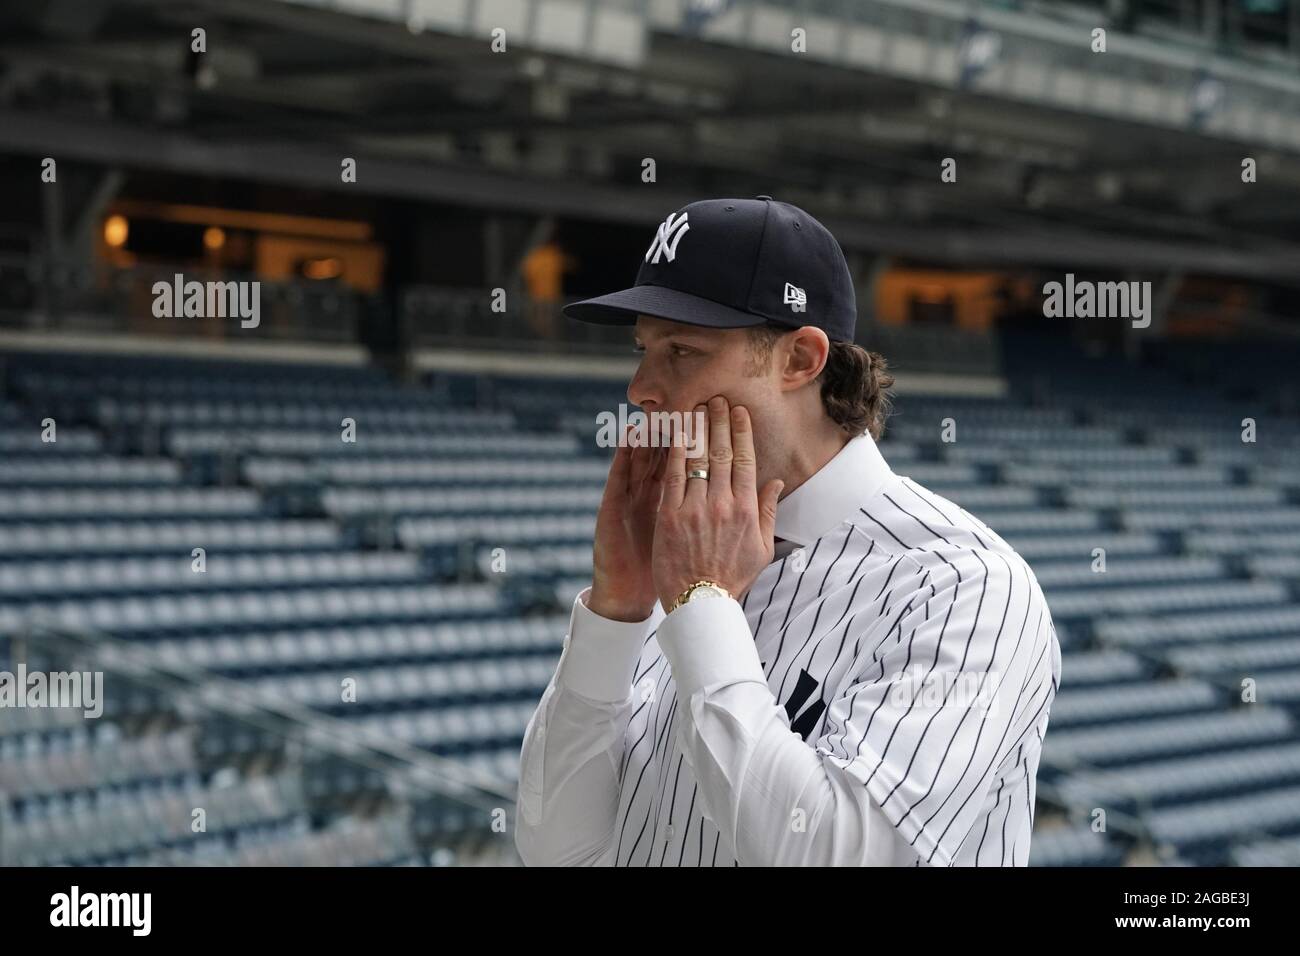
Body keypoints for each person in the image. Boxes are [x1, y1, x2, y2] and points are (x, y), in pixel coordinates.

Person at [514, 196, 1061, 866]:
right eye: (642, 349)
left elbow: (846, 855)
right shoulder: (677, 561)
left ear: (800, 359)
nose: (640, 389)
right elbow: (554, 847)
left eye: (681, 350)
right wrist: (617, 610)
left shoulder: (965, 586)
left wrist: (700, 606)